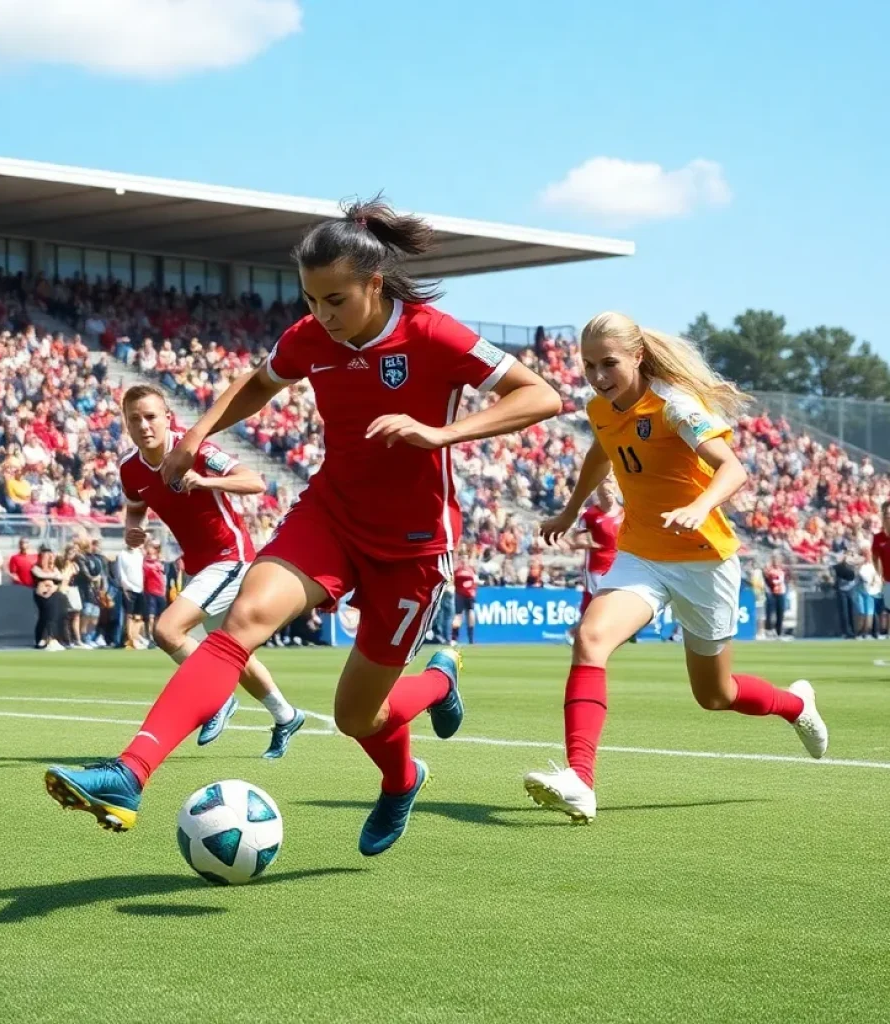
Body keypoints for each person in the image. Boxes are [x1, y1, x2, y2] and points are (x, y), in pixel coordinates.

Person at [45, 197, 559, 852]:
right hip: (330, 514)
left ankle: (422, 724)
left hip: (413, 546)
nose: (322, 315)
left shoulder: (433, 333)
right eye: (312, 299)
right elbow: (260, 383)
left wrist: (442, 433)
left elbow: (542, 394)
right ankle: (130, 771)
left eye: (336, 299)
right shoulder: (310, 336)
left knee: (355, 716)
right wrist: (196, 431)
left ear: (375, 284)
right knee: (240, 626)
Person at [523, 312, 828, 823]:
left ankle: (797, 706)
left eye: (609, 364)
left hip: (703, 559)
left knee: (715, 694)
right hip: (641, 553)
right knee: (589, 639)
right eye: (589, 365)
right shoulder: (600, 407)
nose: (598, 376)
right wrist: (571, 508)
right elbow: (602, 451)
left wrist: (701, 506)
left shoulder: (675, 406)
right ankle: (580, 780)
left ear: (638, 356)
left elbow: (733, 467)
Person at [114, 383, 303, 756]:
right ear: (127, 425)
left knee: (167, 631)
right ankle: (286, 715)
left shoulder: (194, 450)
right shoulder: (130, 469)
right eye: (135, 419)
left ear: (168, 418)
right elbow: (136, 505)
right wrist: (133, 528)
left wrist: (205, 480)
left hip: (231, 557)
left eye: (151, 416)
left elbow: (255, 481)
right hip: (200, 567)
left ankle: (216, 699)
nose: (144, 425)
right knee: (234, 653)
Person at [565, 475, 623, 645]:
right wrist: (588, 543)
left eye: (612, 487)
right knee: (595, 602)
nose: (609, 494)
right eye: (606, 489)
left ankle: (603, 634)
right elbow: (575, 539)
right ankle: (576, 632)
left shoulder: (624, 512)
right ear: (600, 492)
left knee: (614, 602)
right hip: (596, 565)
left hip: (618, 564)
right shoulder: (591, 515)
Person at [32, 546, 65, 651]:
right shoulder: (35, 568)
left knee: (52, 617)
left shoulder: (54, 569)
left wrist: (52, 586)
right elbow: (40, 576)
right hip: (42, 595)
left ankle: (51, 638)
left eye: (50, 556)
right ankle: (41, 639)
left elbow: (60, 578)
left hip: (53, 594)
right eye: (46, 557)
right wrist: (51, 579)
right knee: (45, 616)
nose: (49, 559)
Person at [116, 541, 146, 649]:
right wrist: (125, 588)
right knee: (129, 615)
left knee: (138, 616)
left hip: (140, 588)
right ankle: (130, 639)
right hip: (129, 588)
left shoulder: (140, 554)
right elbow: (121, 573)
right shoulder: (122, 555)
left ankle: (135, 637)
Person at [871, 500, 890, 639]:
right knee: (887, 609)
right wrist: (879, 575)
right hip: (888, 579)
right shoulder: (878, 538)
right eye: (887, 514)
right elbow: (875, 558)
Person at [762, 554, 790, 640]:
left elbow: (787, 579)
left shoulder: (782, 570)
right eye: (774, 560)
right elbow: (766, 578)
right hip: (772, 593)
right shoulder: (769, 570)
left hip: (781, 593)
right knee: (770, 613)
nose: (776, 562)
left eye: (777, 560)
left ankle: (779, 632)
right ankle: (769, 630)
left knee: (780, 613)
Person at [452, 558, 478, 645]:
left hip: (467, 595)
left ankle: (467, 638)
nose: (464, 562)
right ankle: (456, 638)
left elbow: (475, 582)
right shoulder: (459, 571)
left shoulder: (469, 570)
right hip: (462, 595)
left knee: (468, 614)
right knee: (460, 615)